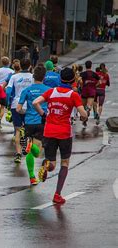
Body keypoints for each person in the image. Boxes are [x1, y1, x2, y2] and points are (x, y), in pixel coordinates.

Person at [33, 67, 88, 204]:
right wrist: (83, 117)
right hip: (64, 133)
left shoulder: (51, 92)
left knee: (51, 163)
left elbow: (35, 102)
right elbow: (83, 114)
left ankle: (46, 167)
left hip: (49, 131)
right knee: (64, 163)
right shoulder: (73, 95)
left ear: (60, 78)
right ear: (72, 80)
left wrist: (44, 115)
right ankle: (57, 194)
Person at [16, 66, 50, 186]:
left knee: (29, 153)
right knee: (38, 152)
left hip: (29, 122)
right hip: (42, 122)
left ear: (33, 76)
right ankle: (32, 147)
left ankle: (32, 177)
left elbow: (18, 109)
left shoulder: (27, 90)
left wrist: (26, 112)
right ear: (44, 77)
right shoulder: (48, 90)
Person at [7, 59, 34, 163]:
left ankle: (18, 154)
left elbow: (8, 91)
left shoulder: (14, 77)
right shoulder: (33, 77)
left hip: (16, 104)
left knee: (17, 130)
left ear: (20, 66)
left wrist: (8, 103)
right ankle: (27, 145)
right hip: (29, 105)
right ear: (30, 66)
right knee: (28, 128)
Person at [0, 56, 14, 129]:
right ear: (8, 63)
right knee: (2, 107)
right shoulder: (11, 71)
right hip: (5, 89)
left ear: (2, 63)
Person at [79, 60, 100, 127]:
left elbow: (79, 80)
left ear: (85, 66)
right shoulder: (95, 74)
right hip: (92, 91)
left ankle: (84, 119)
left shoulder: (82, 74)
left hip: (84, 91)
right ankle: (88, 109)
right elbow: (100, 82)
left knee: (82, 107)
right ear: (91, 65)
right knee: (89, 106)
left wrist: (82, 85)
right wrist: (94, 86)